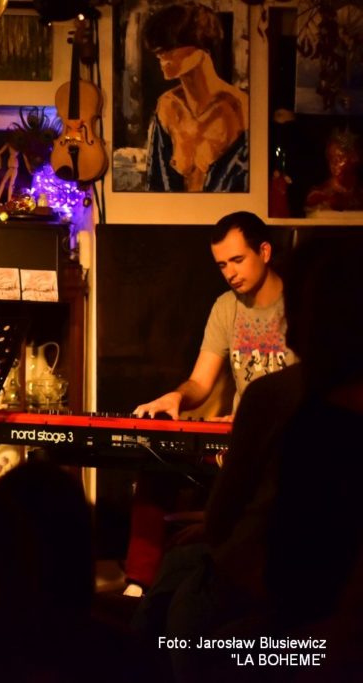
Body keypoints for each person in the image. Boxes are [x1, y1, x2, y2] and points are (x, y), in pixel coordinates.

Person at [125, 211, 296, 595]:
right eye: (222, 265)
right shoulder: (226, 307)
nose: (230, 272)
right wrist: (178, 396)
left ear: (264, 251)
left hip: (284, 438)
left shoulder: (298, 303)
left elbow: (313, 386)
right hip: (235, 436)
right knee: (156, 459)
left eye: (238, 260)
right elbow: (201, 382)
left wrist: (254, 418)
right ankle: (139, 585)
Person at [143, 2, 249, 192]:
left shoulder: (239, 106)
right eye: (159, 51)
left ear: (202, 44)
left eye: (172, 45)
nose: (162, 56)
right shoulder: (168, 106)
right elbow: (156, 183)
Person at [305, 126, 363, 215]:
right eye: (331, 158)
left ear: (354, 158)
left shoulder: (359, 194)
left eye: (340, 158)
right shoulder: (319, 195)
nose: (334, 164)